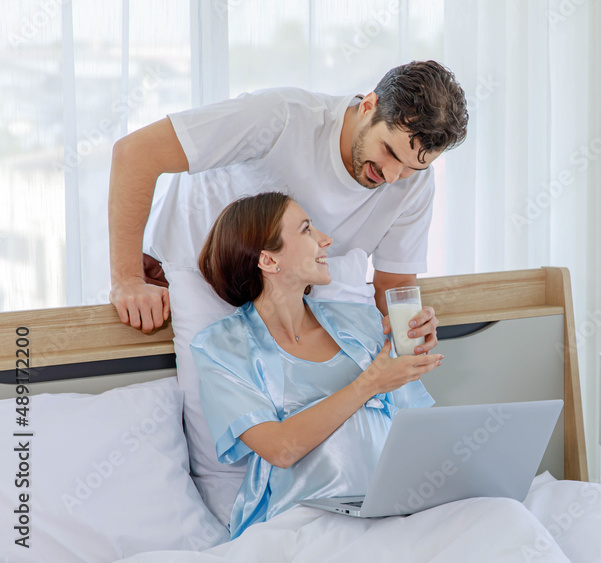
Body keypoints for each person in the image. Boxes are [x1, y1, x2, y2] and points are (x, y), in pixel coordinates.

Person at [108, 60, 468, 347]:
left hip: (284, 309)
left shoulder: (413, 182)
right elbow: (136, 154)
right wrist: (128, 280)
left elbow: (393, 284)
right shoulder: (281, 116)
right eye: (389, 151)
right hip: (179, 284)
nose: (391, 176)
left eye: (412, 166)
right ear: (368, 106)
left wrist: (410, 327)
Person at [191, 192, 443, 538]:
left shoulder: (362, 322)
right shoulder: (221, 348)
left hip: (397, 510)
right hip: (303, 522)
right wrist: (370, 383)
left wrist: (413, 344)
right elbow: (280, 449)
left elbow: (417, 427)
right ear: (268, 260)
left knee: (503, 514)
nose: (326, 240)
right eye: (307, 229)